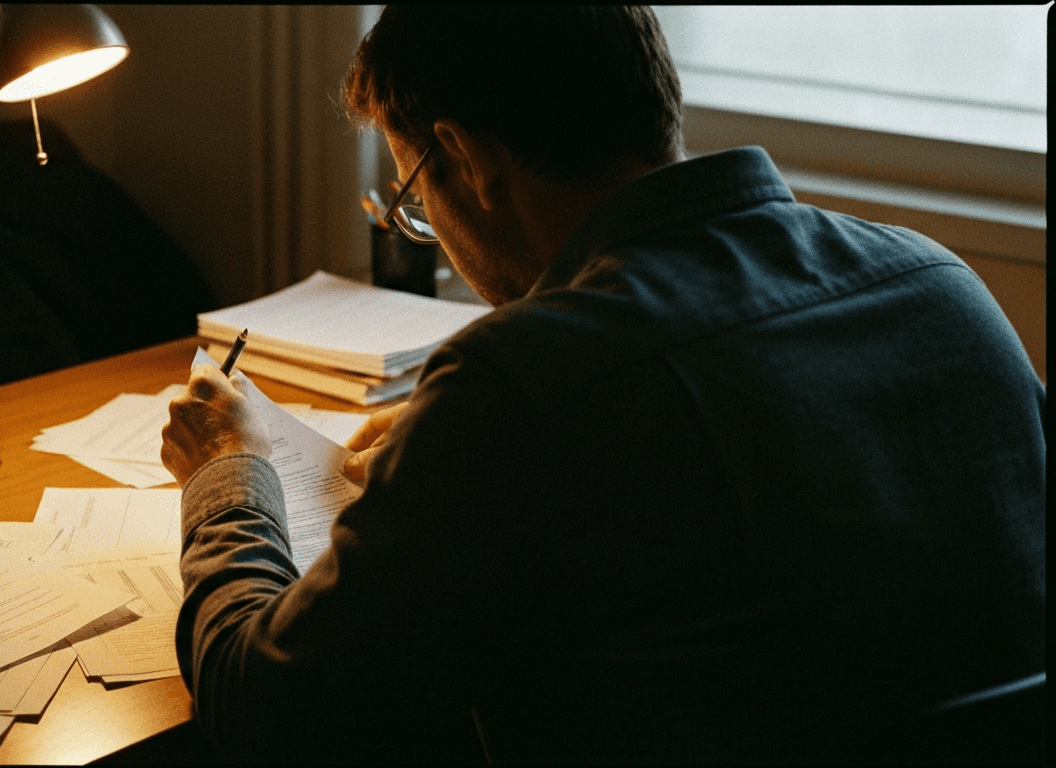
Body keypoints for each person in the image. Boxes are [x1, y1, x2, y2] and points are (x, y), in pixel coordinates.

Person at [160, 6, 1046, 763]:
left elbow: (266, 712)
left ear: (468, 158)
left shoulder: (520, 386)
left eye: (415, 199)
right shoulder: (941, 286)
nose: (428, 225)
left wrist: (228, 469)